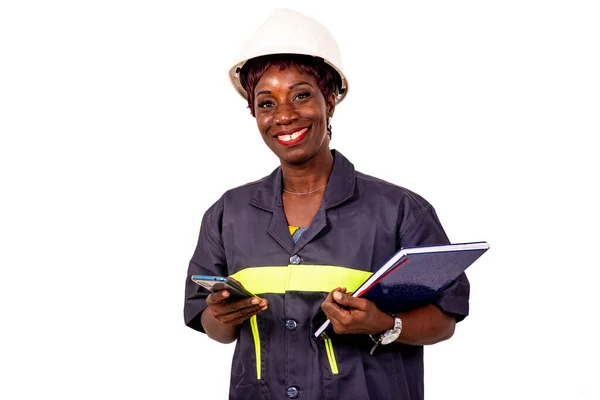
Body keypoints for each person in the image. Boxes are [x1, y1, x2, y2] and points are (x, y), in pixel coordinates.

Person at [184, 8, 469, 400]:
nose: (284, 115)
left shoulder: (401, 210)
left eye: (302, 95)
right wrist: (221, 315)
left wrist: (383, 322)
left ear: (330, 100)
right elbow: (212, 325)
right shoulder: (227, 214)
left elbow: (444, 318)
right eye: (266, 103)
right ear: (253, 113)